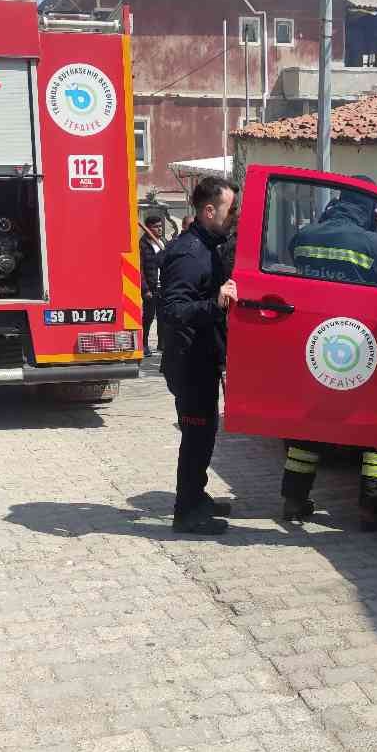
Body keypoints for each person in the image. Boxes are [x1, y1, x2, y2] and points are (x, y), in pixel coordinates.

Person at [281, 189, 377, 531]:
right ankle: (372, 509)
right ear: (370, 209)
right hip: (363, 348)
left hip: (316, 346)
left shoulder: (304, 237)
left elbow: (296, 259)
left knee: (307, 429)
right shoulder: (376, 244)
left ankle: (293, 502)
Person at [159, 176, 238, 535]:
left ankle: (197, 496)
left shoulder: (208, 246)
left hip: (203, 357)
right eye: (229, 209)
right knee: (196, 435)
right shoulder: (189, 254)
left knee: (205, 433)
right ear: (209, 211)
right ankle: (185, 512)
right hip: (189, 361)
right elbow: (174, 310)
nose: (233, 215)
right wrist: (215, 303)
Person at [139, 212, 167, 357]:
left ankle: (162, 343)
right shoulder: (143, 245)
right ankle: (144, 344)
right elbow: (140, 269)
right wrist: (145, 289)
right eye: (156, 227)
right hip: (151, 287)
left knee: (163, 316)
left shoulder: (163, 242)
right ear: (148, 228)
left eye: (161, 226)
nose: (159, 229)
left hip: (164, 287)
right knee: (149, 317)